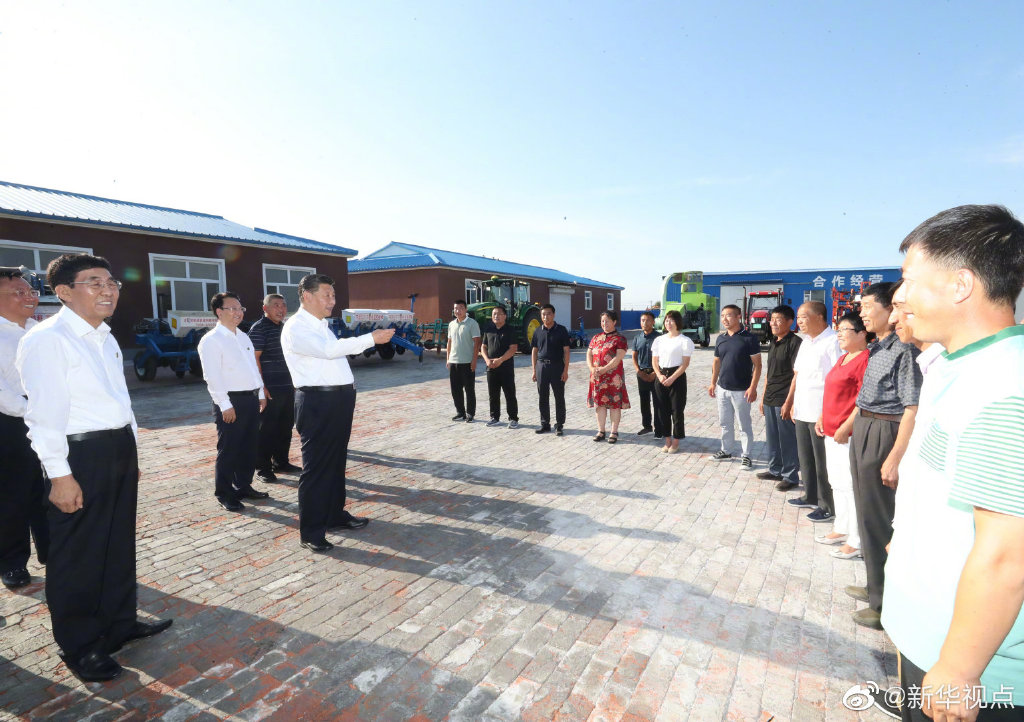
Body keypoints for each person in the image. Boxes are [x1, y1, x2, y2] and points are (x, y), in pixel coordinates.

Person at [883, 205, 1024, 718]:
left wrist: (960, 669)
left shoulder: (1005, 388)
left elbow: (1007, 553)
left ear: (961, 285)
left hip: (969, 668)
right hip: (927, 638)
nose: (899, 297)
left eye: (909, 280)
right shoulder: (956, 365)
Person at [17, 253, 171, 683]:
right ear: (64, 292)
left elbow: (119, 399)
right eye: (94, 282)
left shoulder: (104, 335)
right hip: (78, 455)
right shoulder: (48, 339)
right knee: (78, 553)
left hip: (116, 447)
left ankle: (119, 624)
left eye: (111, 282)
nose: (108, 290)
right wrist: (59, 475)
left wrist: (131, 450)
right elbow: (42, 416)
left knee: (116, 542)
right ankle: (81, 645)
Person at [281, 274, 394, 553]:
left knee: (335, 461)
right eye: (327, 295)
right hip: (317, 402)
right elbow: (329, 351)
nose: (332, 301)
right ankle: (311, 531)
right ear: (307, 296)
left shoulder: (321, 325)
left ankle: (334, 514)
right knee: (317, 467)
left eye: (333, 295)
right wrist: (370, 338)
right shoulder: (296, 327)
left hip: (338, 401)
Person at [845, 281, 922, 630]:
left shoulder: (904, 350)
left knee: (879, 518)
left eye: (867, 306)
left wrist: (894, 457)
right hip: (866, 426)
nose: (861, 313)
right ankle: (875, 584)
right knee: (866, 513)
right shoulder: (878, 347)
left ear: (890, 309)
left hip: (884, 432)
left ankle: (885, 605)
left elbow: (912, 407)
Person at [197, 292, 270, 513]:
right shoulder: (211, 340)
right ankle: (224, 493)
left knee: (249, 446)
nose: (238, 313)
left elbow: (252, 367)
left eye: (240, 308)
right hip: (231, 401)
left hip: (250, 399)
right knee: (229, 449)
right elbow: (212, 376)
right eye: (233, 308)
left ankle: (243, 486)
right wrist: (224, 404)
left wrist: (260, 393)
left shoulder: (243, 337)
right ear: (219, 312)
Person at [0, 268, 48, 590]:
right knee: (12, 496)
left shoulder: (39, 332)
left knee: (48, 488)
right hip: (10, 423)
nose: (29, 297)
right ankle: (12, 562)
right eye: (19, 292)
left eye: (31, 291)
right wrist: (33, 412)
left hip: (45, 417)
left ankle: (53, 551)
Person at [814, 312, 870, 560]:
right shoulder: (844, 358)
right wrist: (822, 417)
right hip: (831, 430)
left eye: (844, 330)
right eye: (838, 330)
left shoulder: (865, 360)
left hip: (847, 435)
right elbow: (832, 392)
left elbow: (863, 400)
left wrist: (847, 426)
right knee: (836, 482)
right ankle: (842, 527)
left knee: (849, 485)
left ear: (862, 333)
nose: (839, 335)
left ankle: (856, 541)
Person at [782, 302, 841, 522]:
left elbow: (837, 379)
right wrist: (791, 402)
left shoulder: (833, 341)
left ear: (819, 317)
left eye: (803, 317)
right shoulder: (806, 342)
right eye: (798, 317)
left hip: (821, 412)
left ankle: (827, 505)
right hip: (803, 409)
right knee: (806, 458)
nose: (799, 322)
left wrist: (826, 412)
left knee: (822, 461)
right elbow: (798, 375)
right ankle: (810, 495)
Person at [249, 293, 300, 484]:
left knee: (285, 427)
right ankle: (262, 468)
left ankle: (281, 462)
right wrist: (261, 387)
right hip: (270, 388)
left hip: (288, 386)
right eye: (276, 305)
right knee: (267, 429)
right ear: (265, 308)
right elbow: (253, 359)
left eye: (283, 305)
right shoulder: (259, 329)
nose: (281, 309)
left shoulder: (284, 328)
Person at [708, 304, 761, 469]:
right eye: (723, 315)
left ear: (739, 317)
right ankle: (726, 450)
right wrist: (713, 382)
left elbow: (758, 365)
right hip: (723, 388)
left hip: (741, 390)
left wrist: (753, 387)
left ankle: (747, 455)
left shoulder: (749, 338)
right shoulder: (720, 338)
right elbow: (716, 362)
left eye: (729, 315)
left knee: (744, 425)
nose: (725, 319)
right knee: (725, 422)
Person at [759, 305, 802, 489]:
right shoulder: (774, 342)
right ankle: (775, 469)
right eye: (772, 319)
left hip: (784, 399)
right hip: (770, 397)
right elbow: (769, 373)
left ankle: (790, 476)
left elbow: (797, 375)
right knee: (773, 438)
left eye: (778, 319)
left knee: (787, 439)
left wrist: (789, 402)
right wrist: (763, 397)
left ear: (790, 322)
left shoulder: (795, 343)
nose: (773, 323)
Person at [650, 309, 693, 453]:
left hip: (677, 377)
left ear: (678, 322)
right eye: (666, 320)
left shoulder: (685, 341)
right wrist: (659, 375)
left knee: (677, 410)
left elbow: (685, 364)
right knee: (662, 410)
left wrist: (672, 378)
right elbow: (654, 361)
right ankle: (667, 440)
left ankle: (676, 441)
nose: (668, 323)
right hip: (661, 377)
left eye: (672, 320)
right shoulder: (659, 340)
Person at [586, 310, 630, 443]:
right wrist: (592, 368)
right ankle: (601, 431)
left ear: (614, 322)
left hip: (613, 378)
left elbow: (618, 358)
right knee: (599, 404)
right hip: (597, 377)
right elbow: (589, 354)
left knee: (614, 404)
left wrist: (604, 369)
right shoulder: (596, 338)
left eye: (607, 321)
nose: (604, 323)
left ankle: (614, 432)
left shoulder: (620, 339)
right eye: (602, 321)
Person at [531, 303, 570, 436]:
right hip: (541, 367)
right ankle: (545, 424)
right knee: (542, 396)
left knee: (559, 396)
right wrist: (534, 370)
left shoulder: (561, 330)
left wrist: (565, 370)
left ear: (553, 315)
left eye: (548, 314)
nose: (546, 316)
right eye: (543, 314)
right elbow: (534, 351)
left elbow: (566, 351)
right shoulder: (537, 331)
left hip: (557, 366)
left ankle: (559, 425)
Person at [480, 305, 519, 428]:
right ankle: (494, 417)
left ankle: (513, 418)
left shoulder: (510, 330)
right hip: (491, 367)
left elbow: (513, 348)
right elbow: (483, 347)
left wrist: (500, 360)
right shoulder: (488, 329)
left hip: (506, 367)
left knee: (509, 394)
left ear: (505, 316)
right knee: (493, 395)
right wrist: (487, 360)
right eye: (494, 314)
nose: (496, 316)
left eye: (498, 314)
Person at [446, 300, 481, 422]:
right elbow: (449, 342)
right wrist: (448, 359)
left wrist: (474, 360)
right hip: (454, 362)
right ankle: (460, 412)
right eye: (456, 308)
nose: (458, 311)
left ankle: (470, 413)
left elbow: (477, 343)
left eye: (461, 308)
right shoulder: (451, 324)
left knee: (469, 389)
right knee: (455, 390)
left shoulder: (472, 323)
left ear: (466, 309)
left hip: (467, 362)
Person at [631, 311, 664, 437]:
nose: (645, 323)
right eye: (643, 320)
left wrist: (656, 373)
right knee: (644, 401)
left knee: (658, 402)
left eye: (648, 320)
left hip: (656, 374)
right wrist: (639, 371)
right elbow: (634, 356)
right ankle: (647, 426)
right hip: (642, 374)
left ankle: (659, 429)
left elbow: (663, 357)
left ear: (653, 322)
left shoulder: (660, 338)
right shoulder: (637, 338)